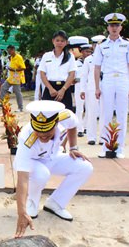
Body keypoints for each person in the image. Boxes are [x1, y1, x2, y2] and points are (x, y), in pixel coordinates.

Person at [14, 100, 92, 236]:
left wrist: (73, 147)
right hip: (34, 162)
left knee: (85, 167)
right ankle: (32, 202)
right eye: (39, 132)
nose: (43, 135)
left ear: (55, 123)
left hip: (53, 156)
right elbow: (22, 179)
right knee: (42, 174)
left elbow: (73, 126)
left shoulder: (65, 116)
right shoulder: (26, 139)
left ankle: (56, 203)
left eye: (47, 132)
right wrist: (21, 212)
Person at [94, 13, 129, 159]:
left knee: (121, 114)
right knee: (106, 113)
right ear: (107, 27)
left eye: (117, 25)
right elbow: (97, 68)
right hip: (107, 80)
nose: (114, 28)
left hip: (123, 80)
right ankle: (105, 147)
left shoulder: (127, 43)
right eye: (111, 25)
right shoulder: (102, 45)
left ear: (121, 27)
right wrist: (97, 87)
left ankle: (119, 148)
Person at [39, 30, 76, 111]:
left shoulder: (70, 57)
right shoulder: (46, 56)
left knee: (65, 115)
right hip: (50, 89)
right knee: (47, 115)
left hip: (64, 89)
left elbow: (72, 75)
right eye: (57, 40)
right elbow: (42, 74)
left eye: (62, 41)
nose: (59, 43)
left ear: (66, 42)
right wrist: (50, 88)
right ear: (53, 41)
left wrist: (63, 90)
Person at [80, 35, 104, 145]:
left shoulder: (108, 58)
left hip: (105, 87)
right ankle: (91, 137)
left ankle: (104, 137)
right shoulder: (89, 60)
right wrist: (82, 90)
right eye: (95, 45)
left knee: (104, 113)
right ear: (93, 46)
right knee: (91, 113)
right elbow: (84, 76)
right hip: (91, 88)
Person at [69, 36, 90, 137]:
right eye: (86, 52)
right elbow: (73, 78)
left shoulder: (91, 62)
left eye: (89, 52)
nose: (88, 54)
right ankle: (79, 128)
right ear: (81, 52)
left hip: (89, 87)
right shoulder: (76, 63)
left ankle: (86, 126)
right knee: (79, 108)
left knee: (89, 108)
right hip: (78, 87)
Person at [0, 45, 25, 112]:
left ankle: (20, 107)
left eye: (10, 51)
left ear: (13, 50)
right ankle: (2, 103)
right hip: (11, 77)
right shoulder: (11, 57)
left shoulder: (19, 57)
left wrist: (14, 70)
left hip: (17, 78)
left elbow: (23, 67)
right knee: (3, 87)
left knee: (17, 92)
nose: (9, 52)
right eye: (8, 51)